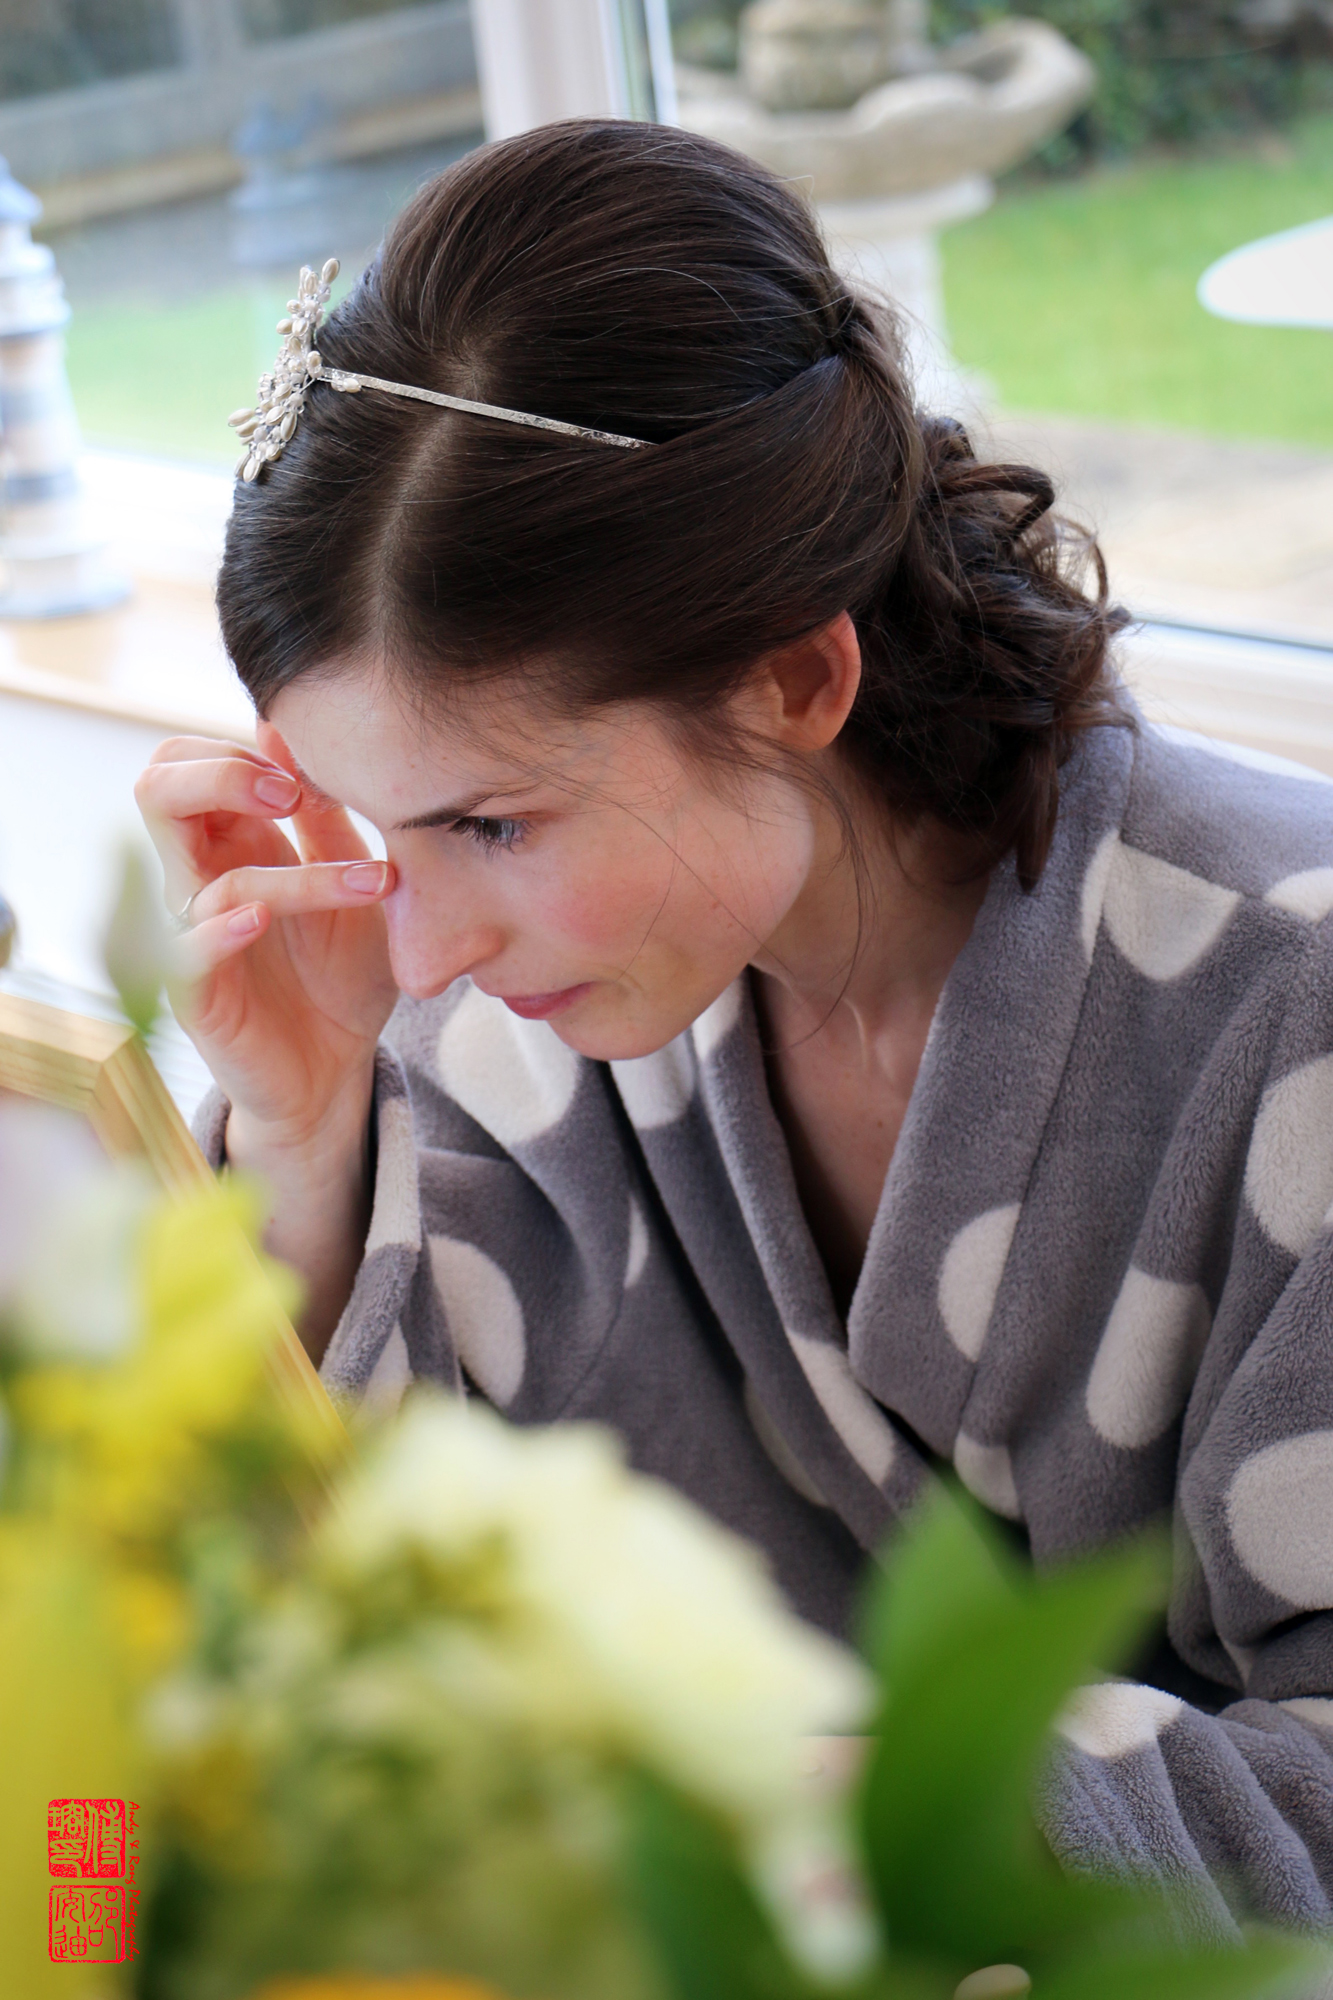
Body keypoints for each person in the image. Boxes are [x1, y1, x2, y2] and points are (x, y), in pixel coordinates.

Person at [137, 120, 1333, 1931]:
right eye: (382, 829)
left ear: (793, 676)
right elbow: (294, 1624)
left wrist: (833, 1815)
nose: (426, 946)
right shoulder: (498, 1018)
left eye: (491, 823)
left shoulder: (1285, 1003)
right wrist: (305, 1143)